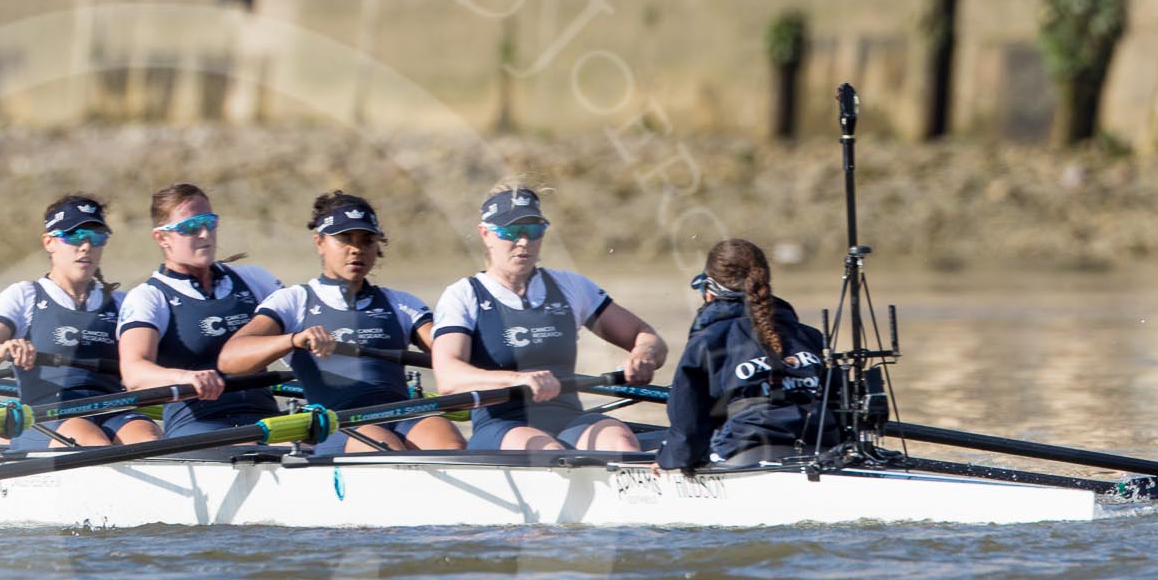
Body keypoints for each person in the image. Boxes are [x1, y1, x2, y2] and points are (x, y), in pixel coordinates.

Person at [219, 190, 464, 452]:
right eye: (345, 239)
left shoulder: (401, 303)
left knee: (447, 439)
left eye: (367, 240)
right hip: (338, 423)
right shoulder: (294, 301)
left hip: (403, 416)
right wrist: (294, 340)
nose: (356, 249)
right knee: (383, 447)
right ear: (319, 242)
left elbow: (451, 356)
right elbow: (230, 359)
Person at [432, 183, 665, 452]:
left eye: (534, 230)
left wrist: (644, 355)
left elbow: (646, 336)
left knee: (620, 440)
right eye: (511, 231)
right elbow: (448, 379)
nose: (524, 241)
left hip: (568, 419)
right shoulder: (463, 295)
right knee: (548, 452)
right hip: (503, 425)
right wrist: (517, 379)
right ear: (486, 234)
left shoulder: (570, 286)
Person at [0, 194, 160, 447]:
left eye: (96, 237)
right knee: (91, 442)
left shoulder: (122, 302)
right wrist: (1, 351)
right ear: (49, 242)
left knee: (148, 439)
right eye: (74, 236)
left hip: (112, 408)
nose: (86, 246)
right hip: (45, 413)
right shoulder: (24, 296)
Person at [118, 183, 283, 438]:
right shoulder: (149, 297)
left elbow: (304, 327)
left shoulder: (253, 279)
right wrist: (185, 377)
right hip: (200, 428)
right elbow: (134, 374)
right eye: (191, 227)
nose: (205, 234)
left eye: (209, 222)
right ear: (162, 237)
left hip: (266, 421)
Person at [655, 238, 835, 472]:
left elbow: (688, 426)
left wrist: (669, 460)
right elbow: (836, 402)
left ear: (709, 291)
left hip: (745, 447)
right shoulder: (811, 336)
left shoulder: (707, 342)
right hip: (824, 445)